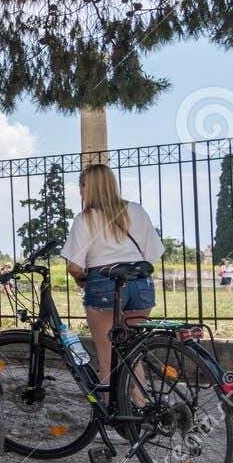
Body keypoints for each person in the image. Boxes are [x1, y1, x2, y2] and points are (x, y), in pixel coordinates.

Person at [62, 163, 161, 381]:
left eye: (81, 185)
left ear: (87, 187)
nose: (79, 191)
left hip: (104, 283)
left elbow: (74, 266)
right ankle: (140, 406)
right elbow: (153, 254)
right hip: (141, 283)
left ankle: (110, 412)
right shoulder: (136, 210)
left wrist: (81, 279)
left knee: (108, 359)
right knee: (132, 355)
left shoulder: (85, 218)